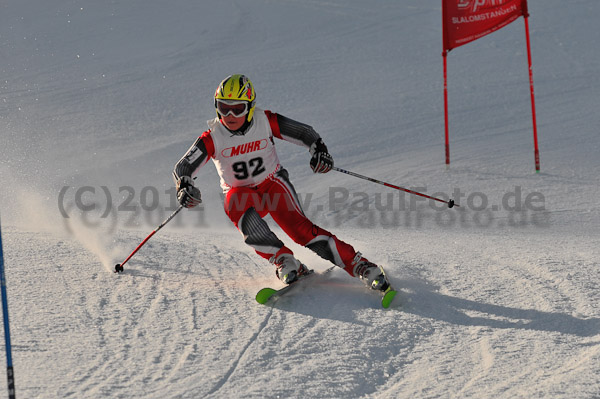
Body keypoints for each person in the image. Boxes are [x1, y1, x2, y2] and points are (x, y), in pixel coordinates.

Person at [173, 74, 390, 292]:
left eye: (237, 109)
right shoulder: (213, 136)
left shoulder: (264, 121)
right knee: (233, 202)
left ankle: (359, 265)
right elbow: (184, 166)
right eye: (222, 107)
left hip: (273, 186)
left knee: (301, 231)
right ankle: (284, 260)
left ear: (249, 107)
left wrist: (319, 151)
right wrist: (184, 185)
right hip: (242, 194)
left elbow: (305, 133)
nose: (229, 115)